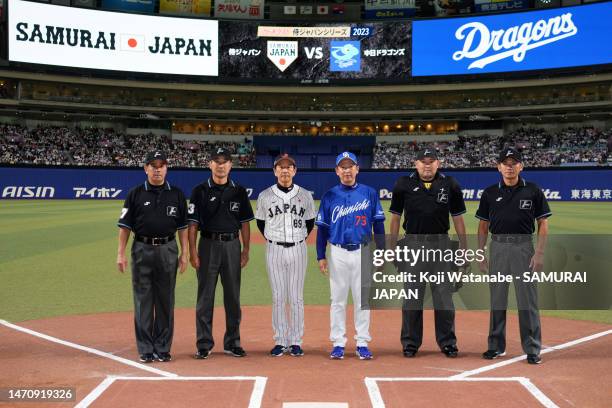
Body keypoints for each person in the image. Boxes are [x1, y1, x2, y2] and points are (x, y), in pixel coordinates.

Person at [389, 148, 467, 358]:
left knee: (444, 296)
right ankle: (410, 343)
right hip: (413, 243)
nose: (427, 165)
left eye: (431, 161)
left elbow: (458, 218)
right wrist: (391, 248)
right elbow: (395, 218)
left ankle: (448, 342)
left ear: (438, 163)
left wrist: (464, 247)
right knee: (412, 296)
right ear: (416, 163)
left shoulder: (450, 184)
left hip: (441, 245)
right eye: (423, 162)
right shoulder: (403, 184)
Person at [476, 148, 551, 365]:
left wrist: (539, 252)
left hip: (523, 248)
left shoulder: (533, 190)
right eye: (505, 163)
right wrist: (480, 253)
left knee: (527, 300)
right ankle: (495, 346)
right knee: (497, 299)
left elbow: (543, 223)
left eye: (513, 163)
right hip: (498, 247)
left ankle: (532, 348)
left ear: (521, 166)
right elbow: (482, 226)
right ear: (498, 167)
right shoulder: (489, 193)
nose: (509, 166)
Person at [116, 150, 188, 363]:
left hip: (168, 249)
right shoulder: (135, 193)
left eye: (161, 165)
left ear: (167, 168)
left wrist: (184, 253)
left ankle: (163, 347)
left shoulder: (176, 194)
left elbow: (183, 227)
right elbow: (125, 227)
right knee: (143, 301)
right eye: (153, 165)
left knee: (166, 300)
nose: (157, 169)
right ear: (146, 168)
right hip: (142, 249)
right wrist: (120, 253)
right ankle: (146, 348)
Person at [316, 152, 386, 360]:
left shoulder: (369, 193)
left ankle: (362, 342)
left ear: (357, 169)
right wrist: (321, 255)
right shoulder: (329, 196)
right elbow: (322, 229)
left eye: (350, 166)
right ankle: (338, 342)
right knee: (337, 300)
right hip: (337, 252)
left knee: (362, 300)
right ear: (337, 171)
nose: (347, 170)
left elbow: (379, 225)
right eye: (343, 167)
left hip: (363, 251)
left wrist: (381, 253)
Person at [188, 147, 254, 359]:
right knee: (205, 297)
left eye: (225, 161)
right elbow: (192, 225)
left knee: (233, 297)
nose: (221, 165)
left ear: (230, 165)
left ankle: (232, 342)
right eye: (216, 161)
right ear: (210, 164)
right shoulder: (199, 190)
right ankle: (204, 343)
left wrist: (246, 249)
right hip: (207, 245)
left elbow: (245, 224)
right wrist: (192, 251)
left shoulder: (239, 191)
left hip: (232, 245)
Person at [255, 154, 316, 357]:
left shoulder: (306, 195)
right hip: (274, 249)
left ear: (295, 171)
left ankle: (296, 340)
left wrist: (299, 238)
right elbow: (261, 223)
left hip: (298, 248)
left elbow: (309, 223)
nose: (284, 170)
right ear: (274, 171)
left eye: (289, 167)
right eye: (280, 167)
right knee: (279, 297)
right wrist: (274, 237)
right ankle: (281, 340)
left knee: (296, 297)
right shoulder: (264, 195)